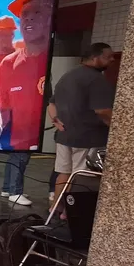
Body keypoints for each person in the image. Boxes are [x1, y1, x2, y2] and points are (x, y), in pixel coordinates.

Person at [0, 0, 57, 204]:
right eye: (24, 14)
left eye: (37, 12)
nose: (28, 18)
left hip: (43, 131)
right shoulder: (9, 63)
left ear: (51, 15)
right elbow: (4, 102)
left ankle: (11, 189)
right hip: (19, 131)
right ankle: (12, 189)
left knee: (21, 159)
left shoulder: (50, 60)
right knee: (18, 158)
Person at [50, 42, 116, 208]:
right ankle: (73, 214)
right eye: (108, 57)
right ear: (95, 58)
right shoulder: (96, 80)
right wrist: (117, 127)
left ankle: (56, 208)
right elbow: (102, 110)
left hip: (65, 135)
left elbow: (51, 104)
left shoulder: (67, 76)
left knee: (63, 173)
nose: (112, 60)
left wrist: (55, 119)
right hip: (88, 137)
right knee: (81, 177)